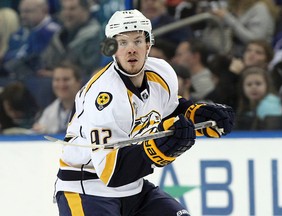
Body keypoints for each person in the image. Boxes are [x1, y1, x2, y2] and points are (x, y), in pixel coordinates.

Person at [54, 9, 234, 216]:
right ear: (112, 48)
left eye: (138, 41)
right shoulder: (104, 96)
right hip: (86, 189)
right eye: (123, 42)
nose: (131, 49)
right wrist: (160, 150)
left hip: (134, 189)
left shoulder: (162, 72)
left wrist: (200, 116)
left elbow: (170, 110)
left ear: (148, 44)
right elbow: (111, 174)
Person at [38, 0, 102, 77]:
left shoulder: (96, 36)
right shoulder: (59, 36)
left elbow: (89, 72)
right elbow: (45, 62)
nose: (67, 13)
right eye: (64, 9)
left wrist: (56, 74)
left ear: (86, 11)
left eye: (72, 9)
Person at [1, 0, 60, 79]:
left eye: (27, 11)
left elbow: (36, 59)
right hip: (13, 74)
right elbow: (8, 54)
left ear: (44, 10)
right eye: (21, 12)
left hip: (36, 77)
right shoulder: (20, 31)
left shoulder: (52, 32)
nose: (22, 16)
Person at [32, 61, 83, 134]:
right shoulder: (49, 111)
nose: (61, 85)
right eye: (57, 80)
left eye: (66, 79)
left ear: (79, 82)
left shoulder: (90, 109)